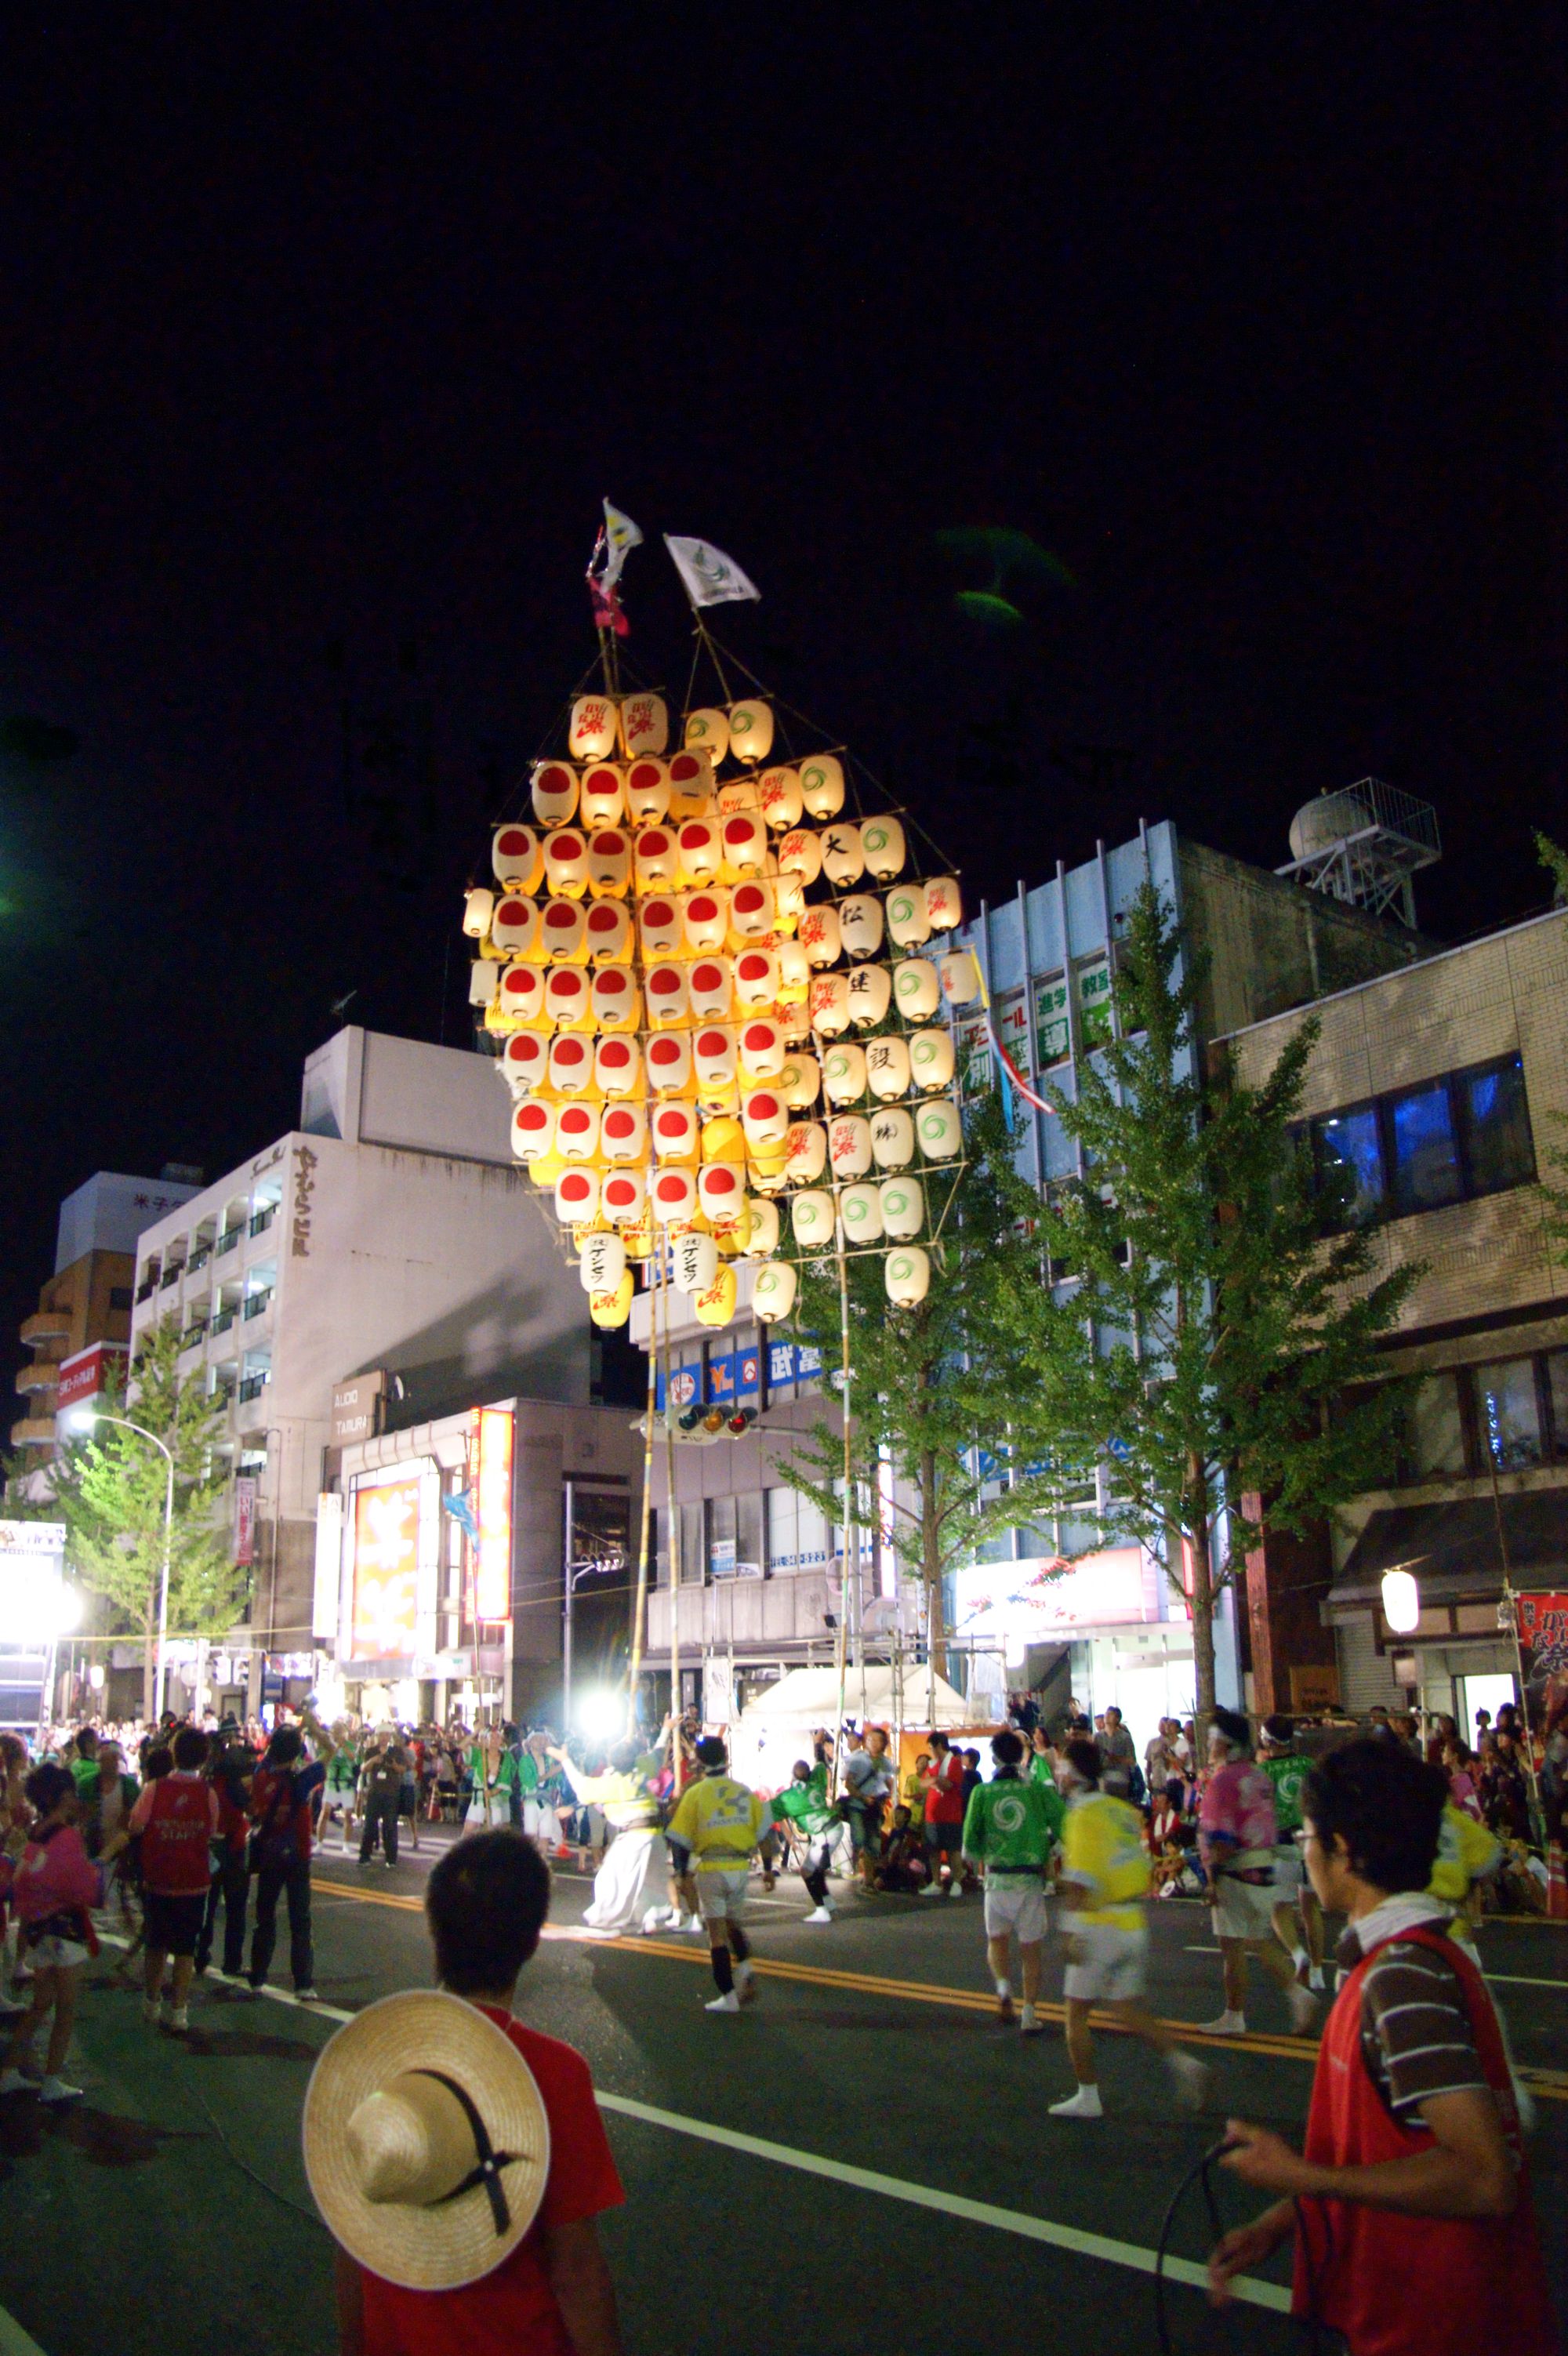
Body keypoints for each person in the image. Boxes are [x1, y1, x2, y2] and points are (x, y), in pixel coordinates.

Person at [1208, 1740, 1558, 2354]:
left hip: (1435, 2322)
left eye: (1310, 1835)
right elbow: (1395, 2145)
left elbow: (1482, 2176)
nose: (1304, 1850)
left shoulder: (1403, 1978)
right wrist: (1286, 2217)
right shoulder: (1395, 1960)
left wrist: (1304, 2174)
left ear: (1344, 1850)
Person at [316, 1829, 625, 2355]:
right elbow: (575, 2269)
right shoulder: (552, 2072)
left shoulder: (373, 2056)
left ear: (434, 1930)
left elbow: (355, 2239)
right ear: (532, 1940)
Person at [1047, 1740, 1210, 2118]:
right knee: (1128, 2007)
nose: (1058, 1773)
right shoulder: (1121, 1811)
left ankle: (1088, 2095)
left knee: (1075, 2017)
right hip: (1132, 1921)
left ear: (1073, 1773)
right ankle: (1184, 2064)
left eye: (1061, 1766)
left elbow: (1080, 1879)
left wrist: (1069, 1929)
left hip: (1097, 1924)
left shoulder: (1081, 1815)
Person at [1196, 1708, 1316, 2038]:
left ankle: (1235, 2014)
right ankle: (1296, 1995)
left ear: (1223, 1743)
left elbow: (1221, 1836)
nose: (1208, 1744)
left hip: (1236, 1871)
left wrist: (1212, 1878)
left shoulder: (1223, 1781)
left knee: (1232, 1946)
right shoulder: (1257, 1775)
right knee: (1258, 1940)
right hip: (1265, 1865)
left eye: (1211, 1738)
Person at [0, 1761, 99, 2102]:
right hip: (66, 1928)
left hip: (41, 1928)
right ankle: (53, 2079)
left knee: (41, 2003)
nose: (75, 1799)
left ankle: (9, 2070)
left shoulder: (37, 1832)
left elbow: (23, 1879)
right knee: (65, 2008)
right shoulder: (68, 1837)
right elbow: (82, 1886)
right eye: (71, 1793)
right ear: (62, 1796)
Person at [663, 1735, 776, 2013]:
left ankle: (728, 1997)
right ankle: (747, 1969)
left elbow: (680, 1837)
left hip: (712, 1867)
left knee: (716, 1934)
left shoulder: (696, 1793)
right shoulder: (744, 1792)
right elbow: (764, 1833)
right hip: (740, 1868)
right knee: (733, 1924)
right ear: (725, 1758)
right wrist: (769, 1870)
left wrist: (682, 1873)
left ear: (700, 1762)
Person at [961, 1728, 1062, 2035]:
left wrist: (978, 1859)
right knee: (1031, 1950)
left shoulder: (982, 1793)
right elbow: (1060, 1821)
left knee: (997, 1941)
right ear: (1021, 1757)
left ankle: (1004, 1990)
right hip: (1030, 1881)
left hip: (997, 1880)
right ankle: (1029, 2012)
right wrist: (1053, 1847)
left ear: (994, 1757)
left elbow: (970, 1842)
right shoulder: (1035, 1791)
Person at [127, 1723, 219, 2032]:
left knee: (156, 1944)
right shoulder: (208, 1794)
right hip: (194, 1880)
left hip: (159, 1878)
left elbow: (136, 1825)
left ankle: (152, 2001)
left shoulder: (154, 1789)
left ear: (174, 1753)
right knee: (185, 1950)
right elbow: (210, 1832)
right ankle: (179, 2009)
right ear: (204, 1758)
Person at [249, 1708, 335, 2001]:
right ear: (297, 1752)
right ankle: (303, 1983)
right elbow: (331, 1751)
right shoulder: (300, 1779)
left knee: (265, 1918)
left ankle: (258, 1976)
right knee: (300, 1921)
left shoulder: (262, 1774)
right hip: (296, 1855)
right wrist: (314, 1726)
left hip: (269, 1853)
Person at [548, 1732, 670, 1936]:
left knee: (609, 1880)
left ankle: (610, 1920)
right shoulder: (643, 1767)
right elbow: (658, 1753)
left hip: (634, 1838)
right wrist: (666, 1729)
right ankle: (649, 1918)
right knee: (648, 1882)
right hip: (655, 1837)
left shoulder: (612, 1781)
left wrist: (565, 1760)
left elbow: (581, 1785)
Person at [1258, 1714, 1327, 1992]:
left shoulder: (1264, 1772)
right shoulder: (1309, 1766)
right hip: (1310, 1843)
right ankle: (1320, 1971)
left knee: (1279, 1909)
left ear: (1268, 1740)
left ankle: (1299, 1955)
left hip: (1281, 1844)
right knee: (1311, 1908)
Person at [198, 1721, 254, 1980]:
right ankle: (231, 1961)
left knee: (206, 1905)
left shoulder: (204, 1777)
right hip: (231, 1846)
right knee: (234, 1907)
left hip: (208, 1846)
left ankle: (200, 1955)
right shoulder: (230, 1779)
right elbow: (247, 1806)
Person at [770, 1757, 839, 1923]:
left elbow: (768, 1812)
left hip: (824, 1834)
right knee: (814, 1869)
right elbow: (821, 1766)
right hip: (834, 1827)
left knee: (807, 1871)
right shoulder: (817, 1781)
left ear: (792, 1777)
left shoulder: (788, 1797)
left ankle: (822, 1910)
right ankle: (828, 1902)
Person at [840, 1726, 894, 1891]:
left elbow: (889, 1783)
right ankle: (860, 1869)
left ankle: (868, 1879)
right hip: (858, 1805)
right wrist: (863, 1797)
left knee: (873, 1843)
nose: (874, 1743)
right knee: (860, 1838)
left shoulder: (885, 1762)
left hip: (875, 1806)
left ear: (884, 1743)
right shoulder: (858, 1760)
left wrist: (884, 1797)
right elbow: (848, 1783)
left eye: (878, 1740)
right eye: (870, 1739)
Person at [917, 1730, 967, 1900]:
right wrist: (936, 1780)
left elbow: (948, 1785)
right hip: (933, 1815)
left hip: (951, 1815)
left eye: (931, 1747)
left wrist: (934, 1780)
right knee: (933, 1850)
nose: (930, 1751)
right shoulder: (932, 1764)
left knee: (953, 1850)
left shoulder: (953, 1763)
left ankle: (957, 1882)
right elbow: (922, 1783)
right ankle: (936, 1882)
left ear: (939, 1746)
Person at [358, 1733, 406, 1868]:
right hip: (374, 1793)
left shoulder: (396, 1751)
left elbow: (403, 1769)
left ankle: (391, 1858)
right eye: (381, 1736)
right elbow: (363, 1769)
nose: (383, 1738)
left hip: (391, 1794)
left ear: (389, 1736)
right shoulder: (371, 1751)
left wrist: (394, 1765)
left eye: (386, 1735)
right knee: (369, 1824)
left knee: (390, 1826)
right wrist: (373, 1760)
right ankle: (364, 1856)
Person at [319, 1729, 359, 1853]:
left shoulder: (351, 1745)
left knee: (348, 1815)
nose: (338, 1734)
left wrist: (344, 1746)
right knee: (324, 1813)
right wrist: (336, 1747)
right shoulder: (327, 1746)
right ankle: (320, 1843)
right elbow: (325, 1760)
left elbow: (353, 1759)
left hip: (346, 1784)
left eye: (339, 1731)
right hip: (331, 1783)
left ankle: (346, 1844)